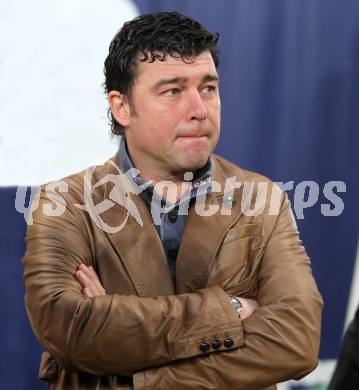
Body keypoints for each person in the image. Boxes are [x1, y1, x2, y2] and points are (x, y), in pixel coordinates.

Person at [22, 11, 323, 390]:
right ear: (122, 107)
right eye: (173, 91)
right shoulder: (64, 202)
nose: (199, 109)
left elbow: (295, 342)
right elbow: (68, 328)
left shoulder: (262, 199)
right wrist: (231, 309)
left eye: (208, 88)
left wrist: (137, 374)